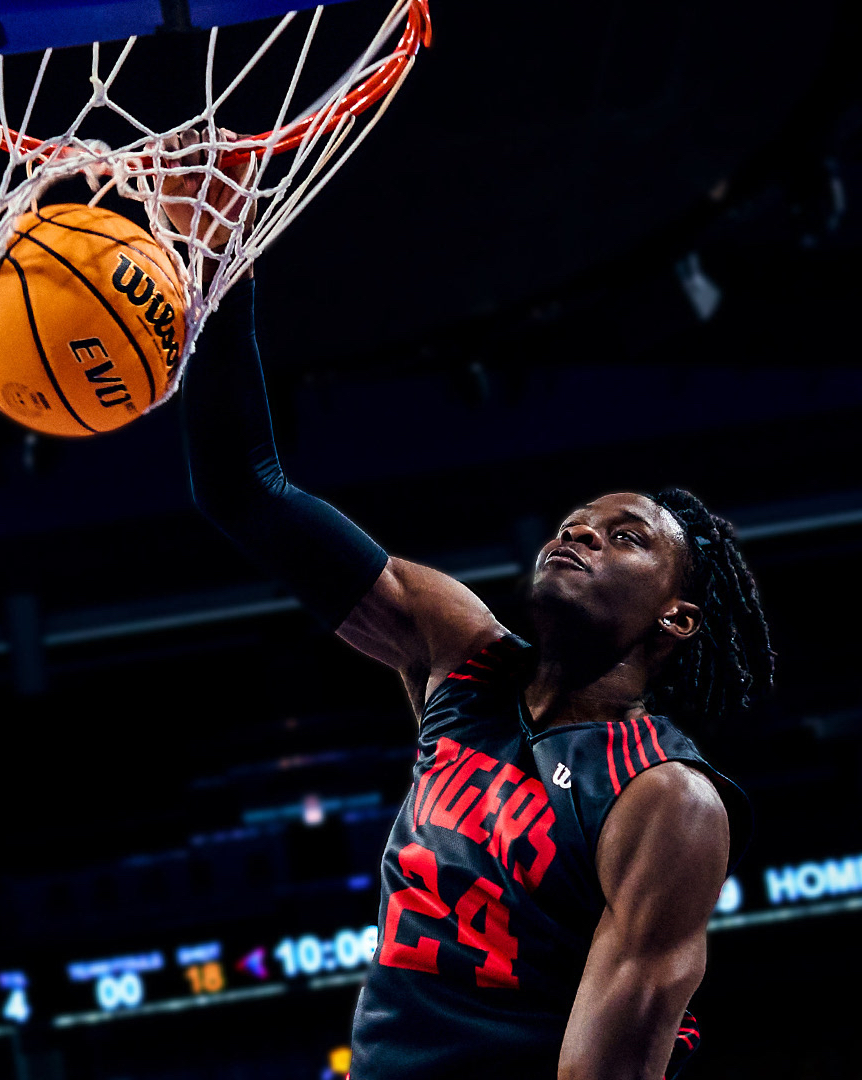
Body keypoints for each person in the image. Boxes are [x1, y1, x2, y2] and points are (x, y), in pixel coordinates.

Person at [163, 138, 775, 1080]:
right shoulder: (462, 658)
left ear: (676, 619)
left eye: (624, 538)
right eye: (574, 523)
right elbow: (243, 490)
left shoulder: (667, 802)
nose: (578, 534)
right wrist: (211, 261)